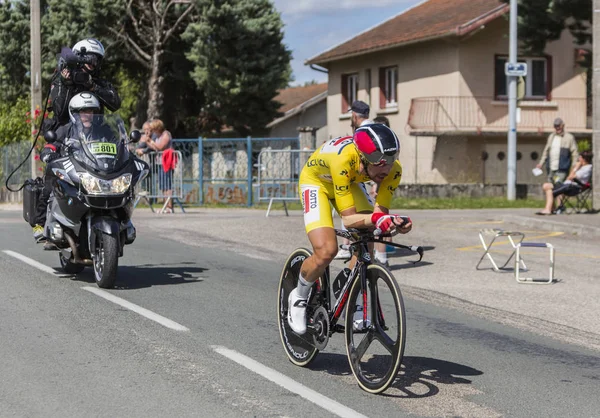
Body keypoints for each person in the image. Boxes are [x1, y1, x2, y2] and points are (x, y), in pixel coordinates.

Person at [288, 123, 412, 335]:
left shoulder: (393, 171)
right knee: (326, 251)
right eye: (381, 162)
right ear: (363, 158)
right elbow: (349, 220)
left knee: (366, 241)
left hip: (349, 182)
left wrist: (393, 223)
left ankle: (349, 287)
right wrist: (377, 219)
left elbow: (379, 213)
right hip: (317, 182)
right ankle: (298, 296)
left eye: (392, 160)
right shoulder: (343, 160)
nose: (387, 168)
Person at [32, 93, 111, 243]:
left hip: (95, 171)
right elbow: (51, 145)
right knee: (49, 186)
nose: (88, 115)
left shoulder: (103, 131)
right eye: (83, 111)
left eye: (91, 111)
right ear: (74, 113)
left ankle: (123, 222)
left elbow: (117, 145)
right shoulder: (66, 129)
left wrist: (125, 152)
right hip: (71, 169)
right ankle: (40, 223)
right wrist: (48, 152)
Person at [334, 100, 374, 260]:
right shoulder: (375, 127)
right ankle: (359, 250)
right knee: (365, 215)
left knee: (350, 213)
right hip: (370, 176)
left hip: (356, 177)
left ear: (354, 115)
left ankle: (351, 248)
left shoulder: (362, 131)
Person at [537, 150, 593, 215]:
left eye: (580, 157)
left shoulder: (587, 168)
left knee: (551, 192)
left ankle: (548, 209)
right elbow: (569, 177)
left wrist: (576, 168)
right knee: (546, 185)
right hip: (567, 185)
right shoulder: (581, 167)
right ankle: (553, 208)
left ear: (584, 159)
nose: (578, 159)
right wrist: (576, 168)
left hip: (573, 188)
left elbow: (571, 177)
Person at [370, 115, 394, 267]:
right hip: (381, 178)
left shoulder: (387, 142)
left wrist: (376, 186)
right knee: (380, 219)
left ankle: (382, 257)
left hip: (385, 180)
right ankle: (381, 255)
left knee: (380, 219)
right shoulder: (385, 140)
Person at [536, 117, 578, 185]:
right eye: (555, 126)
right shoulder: (551, 137)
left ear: (563, 125)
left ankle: (559, 194)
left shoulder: (569, 137)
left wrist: (574, 166)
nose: (557, 127)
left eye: (559, 125)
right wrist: (541, 163)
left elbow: (575, 153)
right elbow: (546, 151)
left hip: (562, 168)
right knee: (550, 186)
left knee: (559, 185)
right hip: (551, 168)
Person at [145, 119, 175, 213]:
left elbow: (160, 147)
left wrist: (150, 141)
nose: (153, 131)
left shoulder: (166, 134)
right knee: (162, 185)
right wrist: (148, 141)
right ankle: (165, 206)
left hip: (166, 163)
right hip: (160, 163)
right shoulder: (157, 136)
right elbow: (155, 148)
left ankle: (169, 206)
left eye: (153, 129)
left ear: (158, 128)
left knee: (167, 185)